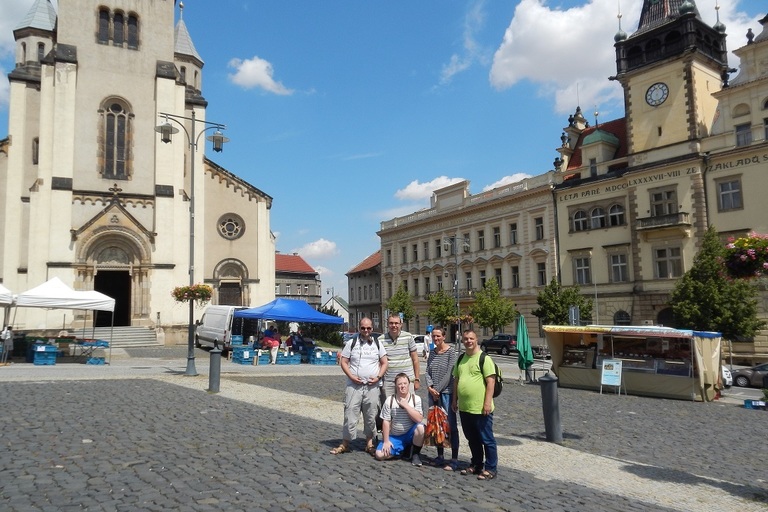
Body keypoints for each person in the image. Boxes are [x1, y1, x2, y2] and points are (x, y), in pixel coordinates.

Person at [331, 318, 388, 455]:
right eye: (363, 328)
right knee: (350, 413)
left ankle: (369, 443)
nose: (366, 331)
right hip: (354, 386)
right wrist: (351, 376)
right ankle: (346, 443)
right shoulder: (352, 343)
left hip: (372, 386)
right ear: (359, 328)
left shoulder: (377, 344)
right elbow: (344, 362)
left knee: (371, 415)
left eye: (368, 328)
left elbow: (385, 362)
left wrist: (378, 377)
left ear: (372, 329)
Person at [452, 329, 498, 480]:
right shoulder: (461, 359)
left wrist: (487, 403)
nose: (468, 341)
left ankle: (491, 468)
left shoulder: (484, 358)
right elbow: (456, 381)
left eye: (471, 338)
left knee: (487, 439)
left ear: (476, 339)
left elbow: (491, 382)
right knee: (472, 439)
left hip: (480, 408)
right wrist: (454, 400)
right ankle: (477, 464)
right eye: (465, 339)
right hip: (465, 407)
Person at [425, 327, 459, 471]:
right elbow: (427, 371)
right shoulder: (432, 353)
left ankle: (454, 458)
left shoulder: (451, 353)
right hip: (433, 393)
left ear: (444, 337)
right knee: (436, 425)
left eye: (438, 336)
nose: (436, 338)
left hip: (446, 393)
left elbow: (450, 374)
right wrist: (430, 387)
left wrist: (436, 390)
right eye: (434, 336)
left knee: (450, 426)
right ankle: (440, 455)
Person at [375, 372, 425, 466]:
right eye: (400, 384)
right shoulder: (390, 400)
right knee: (379, 455)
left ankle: (415, 454)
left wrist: (407, 406)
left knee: (421, 428)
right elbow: (386, 421)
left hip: (410, 434)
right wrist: (386, 441)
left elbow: (419, 419)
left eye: (405, 383)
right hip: (395, 436)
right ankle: (402, 450)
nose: (402, 386)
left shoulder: (416, 399)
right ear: (396, 386)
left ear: (409, 384)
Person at [381, 314, 420, 397]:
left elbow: (415, 359)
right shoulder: (381, 339)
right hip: (389, 382)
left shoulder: (408, 337)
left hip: (407, 380)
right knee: (390, 407)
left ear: (400, 324)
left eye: (396, 323)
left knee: (408, 407)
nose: (394, 325)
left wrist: (417, 379)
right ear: (387, 324)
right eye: (391, 323)